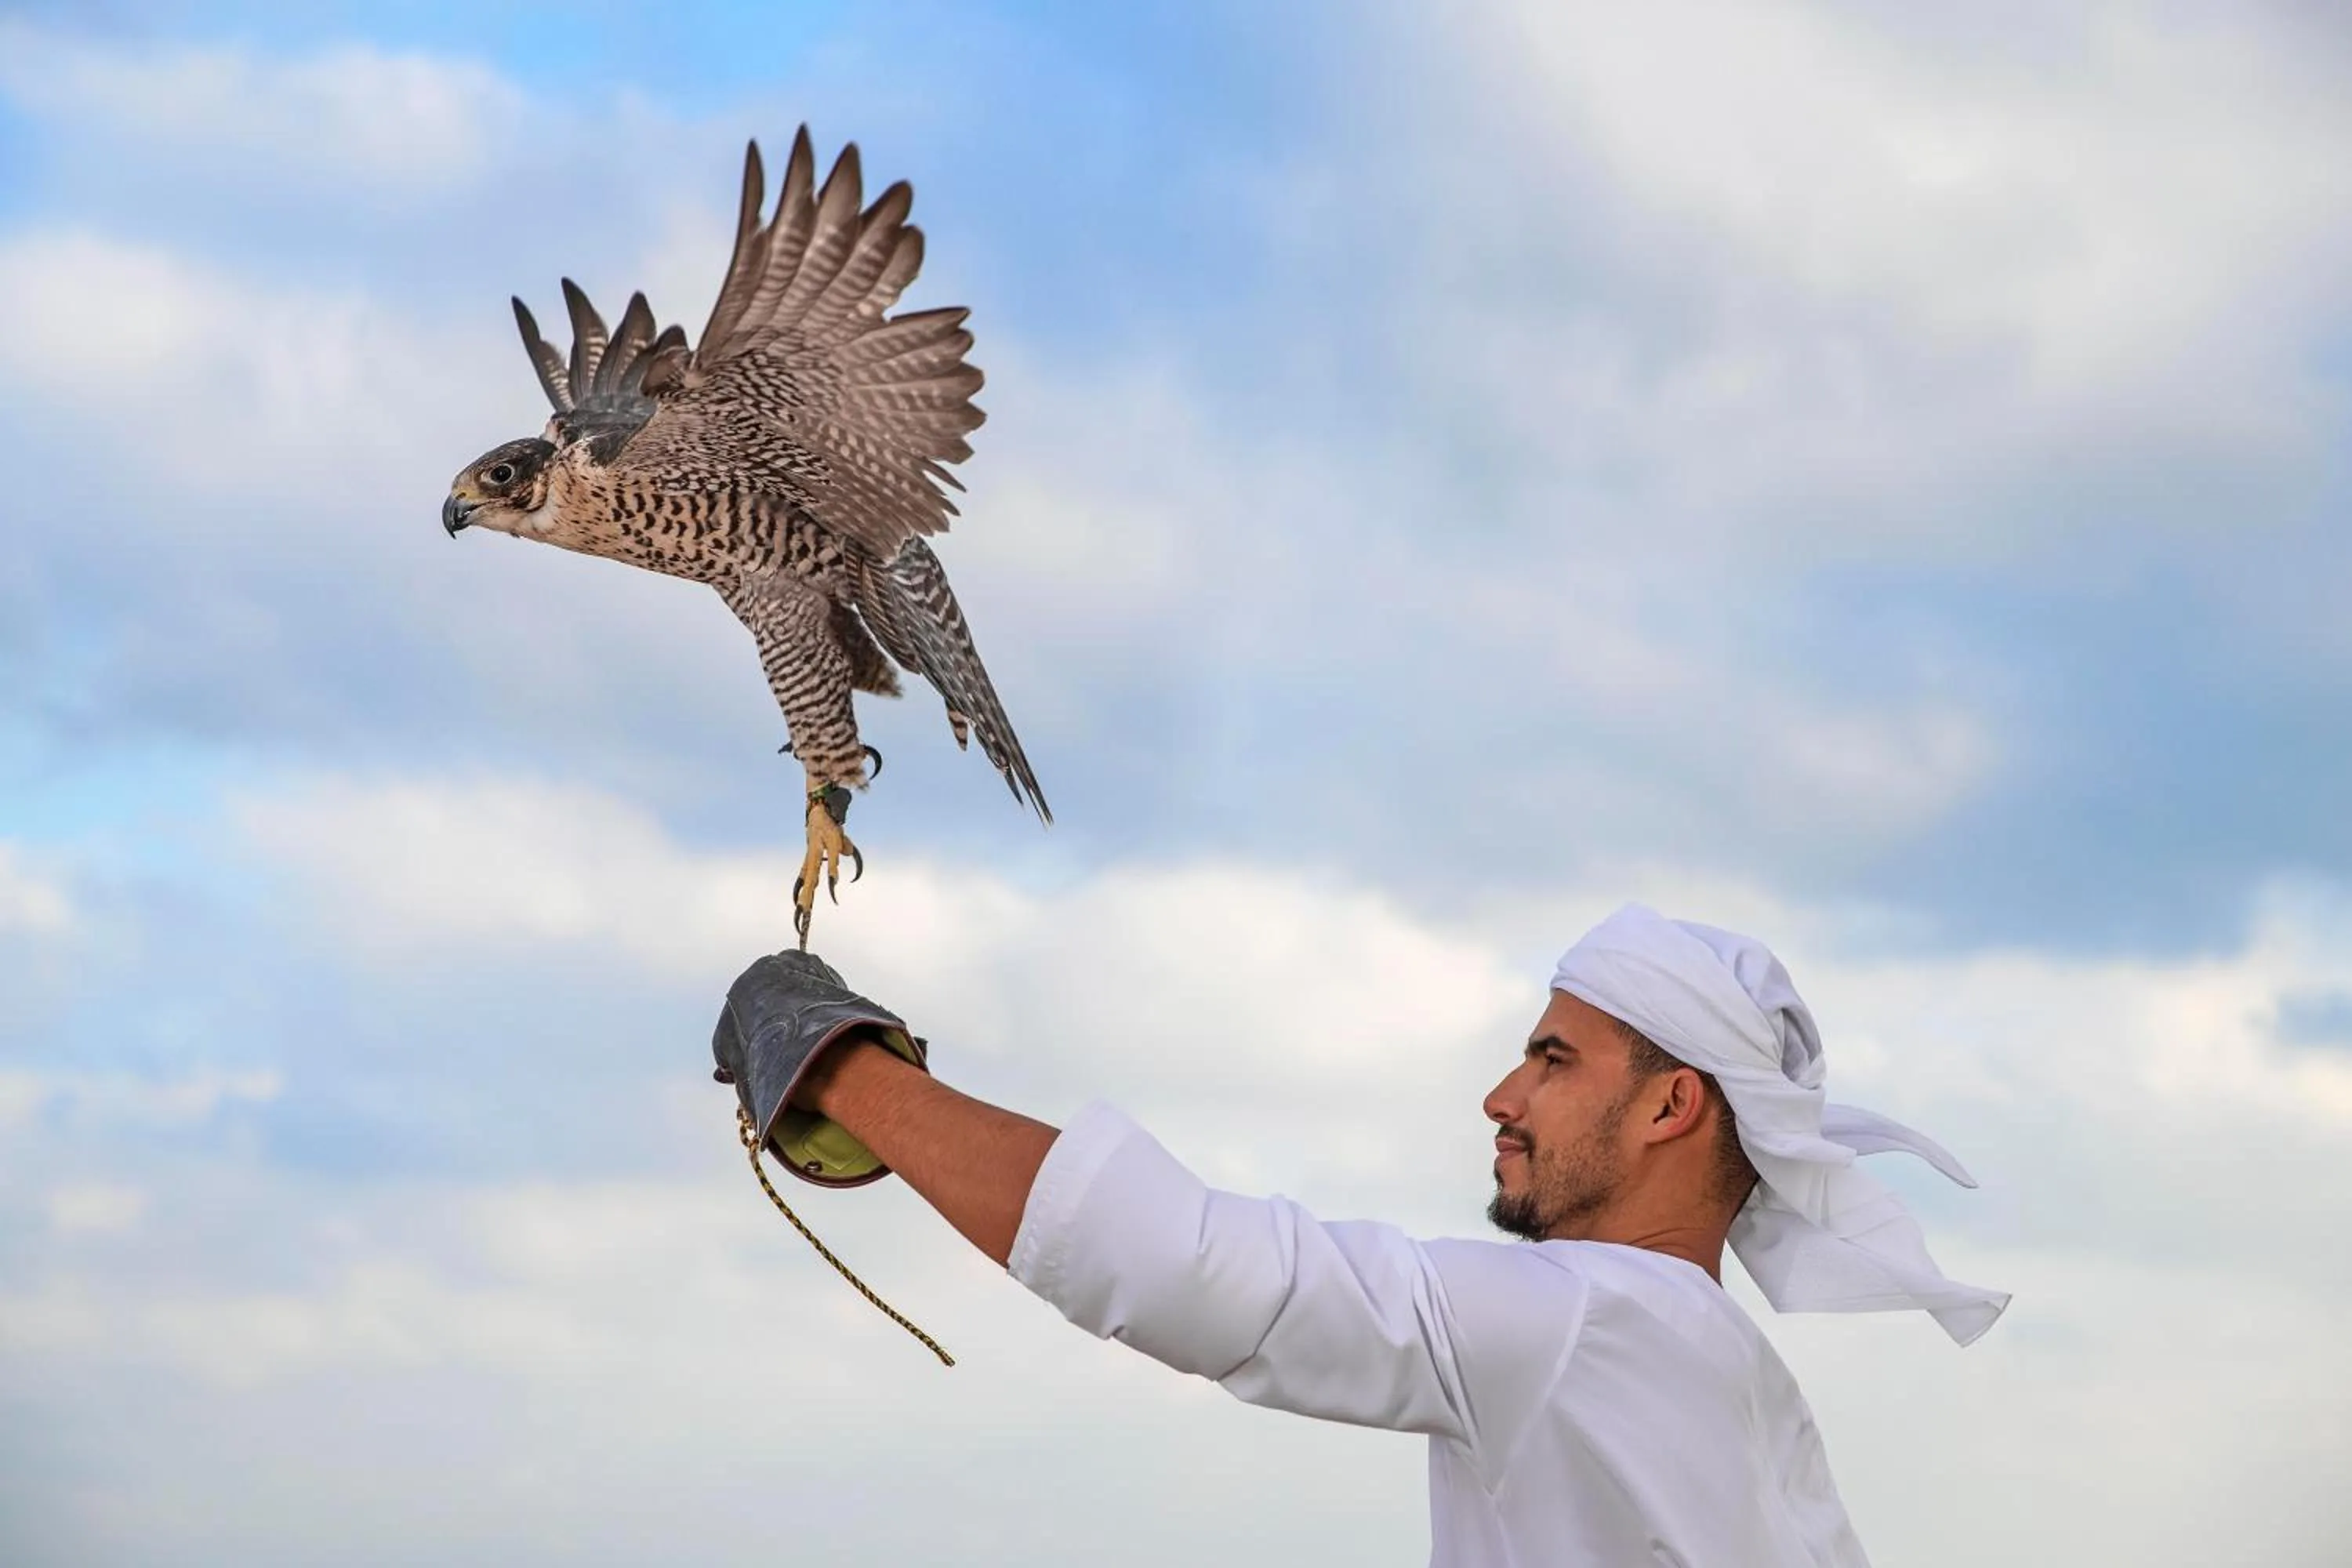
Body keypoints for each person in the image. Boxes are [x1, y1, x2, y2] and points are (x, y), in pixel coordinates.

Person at [710, 902, 2009, 1566]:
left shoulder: (1583, 1319)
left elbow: (1181, 1267)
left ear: (1675, 1106)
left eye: (1554, 1060)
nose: (1502, 1096)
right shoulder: (1747, 1394)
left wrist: (836, 1065)